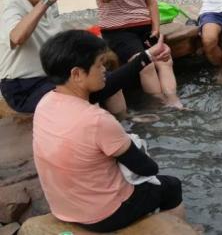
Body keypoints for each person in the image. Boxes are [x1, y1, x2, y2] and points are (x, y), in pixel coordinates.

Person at [33, 29, 185, 233]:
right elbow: (147, 169)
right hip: (104, 214)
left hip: (62, 207)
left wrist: (148, 56)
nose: (105, 69)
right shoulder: (97, 120)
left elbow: (111, 84)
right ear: (77, 74)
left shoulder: (46, 102)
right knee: (171, 186)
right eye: (99, 65)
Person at [1, 0, 141, 115]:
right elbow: (17, 37)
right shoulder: (13, 10)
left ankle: (122, 122)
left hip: (53, 76)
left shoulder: (47, 4)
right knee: (80, 92)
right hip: (24, 86)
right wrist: (46, 1)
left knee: (108, 81)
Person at [93, 0, 182, 108]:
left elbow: (151, 2)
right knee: (145, 65)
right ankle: (160, 104)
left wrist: (155, 28)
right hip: (118, 31)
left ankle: (173, 100)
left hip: (144, 28)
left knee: (165, 59)